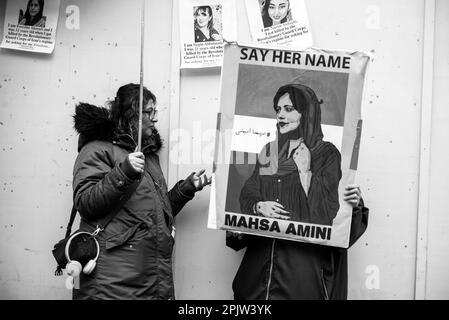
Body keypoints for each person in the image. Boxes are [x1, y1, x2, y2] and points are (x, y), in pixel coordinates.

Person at [227, 83, 369, 300]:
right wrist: (258, 206)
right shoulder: (270, 151)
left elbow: (328, 217)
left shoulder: (327, 154)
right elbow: (249, 191)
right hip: (256, 287)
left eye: (288, 109)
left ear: (307, 113)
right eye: (278, 109)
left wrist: (306, 172)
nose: (280, 116)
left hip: (303, 287)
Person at [71, 83, 211, 300]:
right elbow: (86, 203)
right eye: (148, 112)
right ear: (131, 114)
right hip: (112, 281)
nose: (155, 119)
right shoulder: (97, 149)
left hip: (146, 278)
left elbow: (152, 215)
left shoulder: (148, 156)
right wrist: (123, 172)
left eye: (156, 112)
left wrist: (186, 189)